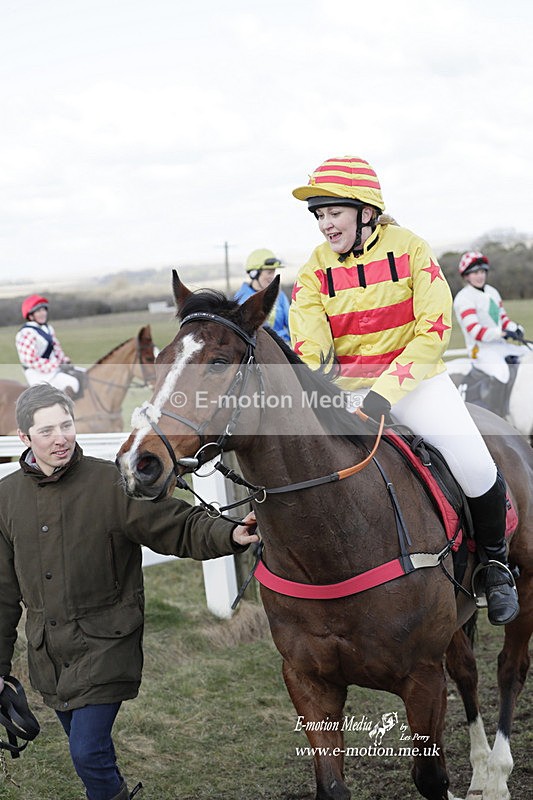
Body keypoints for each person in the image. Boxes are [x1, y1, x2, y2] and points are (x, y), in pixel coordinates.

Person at [289, 154, 519, 626]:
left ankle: (496, 567)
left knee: (476, 466)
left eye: (333, 212)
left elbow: (433, 330)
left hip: (418, 383)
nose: (325, 224)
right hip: (349, 393)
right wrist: (327, 395)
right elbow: (310, 348)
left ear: (365, 211)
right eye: (319, 215)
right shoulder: (313, 270)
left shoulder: (412, 249)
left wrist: (384, 394)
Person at [0, 384, 258, 800]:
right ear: (24, 438)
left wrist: (229, 533)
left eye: (66, 425)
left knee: (87, 752)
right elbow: (2, 594)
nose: (60, 438)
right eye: (46, 431)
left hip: (106, 645)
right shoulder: (7, 498)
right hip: (49, 656)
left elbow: (177, 524)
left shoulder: (112, 483)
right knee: (91, 754)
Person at [453, 250, 525, 385]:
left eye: (482, 271)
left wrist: (516, 329)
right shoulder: (463, 298)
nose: (480, 276)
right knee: (502, 374)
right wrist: (502, 333)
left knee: (528, 354)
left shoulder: (492, 291)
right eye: (475, 273)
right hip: (480, 351)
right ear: (466, 276)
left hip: (500, 345)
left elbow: (503, 320)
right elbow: (475, 331)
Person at [15, 294, 84, 398]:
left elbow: (56, 349)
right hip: (38, 374)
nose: (43, 313)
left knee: (84, 374)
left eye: (44, 310)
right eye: (38, 311)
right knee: (73, 383)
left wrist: (63, 360)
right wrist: (56, 365)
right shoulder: (26, 333)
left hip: (54, 369)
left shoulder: (48, 328)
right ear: (30, 315)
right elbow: (30, 360)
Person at [234, 248, 291, 342]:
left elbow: (291, 324)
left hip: (283, 346)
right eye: (269, 272)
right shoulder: (240, 299)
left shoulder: (280, 296)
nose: (272, 277)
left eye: (273, 272)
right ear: (254, 273)